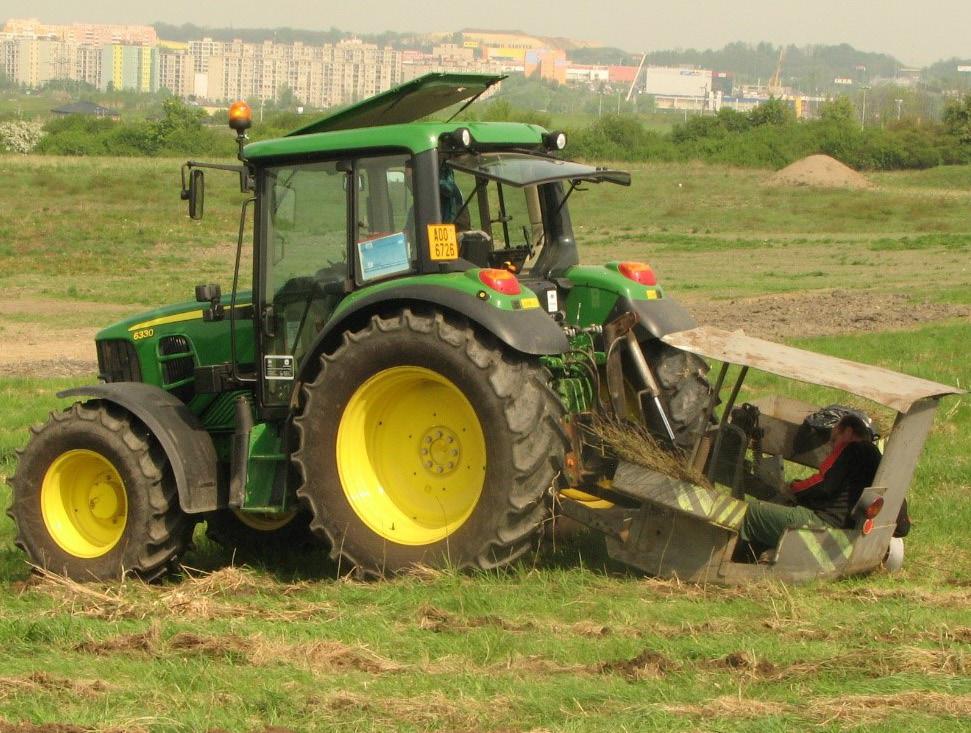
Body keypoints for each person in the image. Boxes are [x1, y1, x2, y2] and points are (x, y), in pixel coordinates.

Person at [740, 414, 882, 553]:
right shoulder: (879, 460)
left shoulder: (851, 448)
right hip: (852, 532)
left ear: (848, 432)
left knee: (751, 512)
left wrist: (792, 488)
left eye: (834, 440)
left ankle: (734, 559)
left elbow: (823, 485)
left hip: (826, 525)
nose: (833, 447)